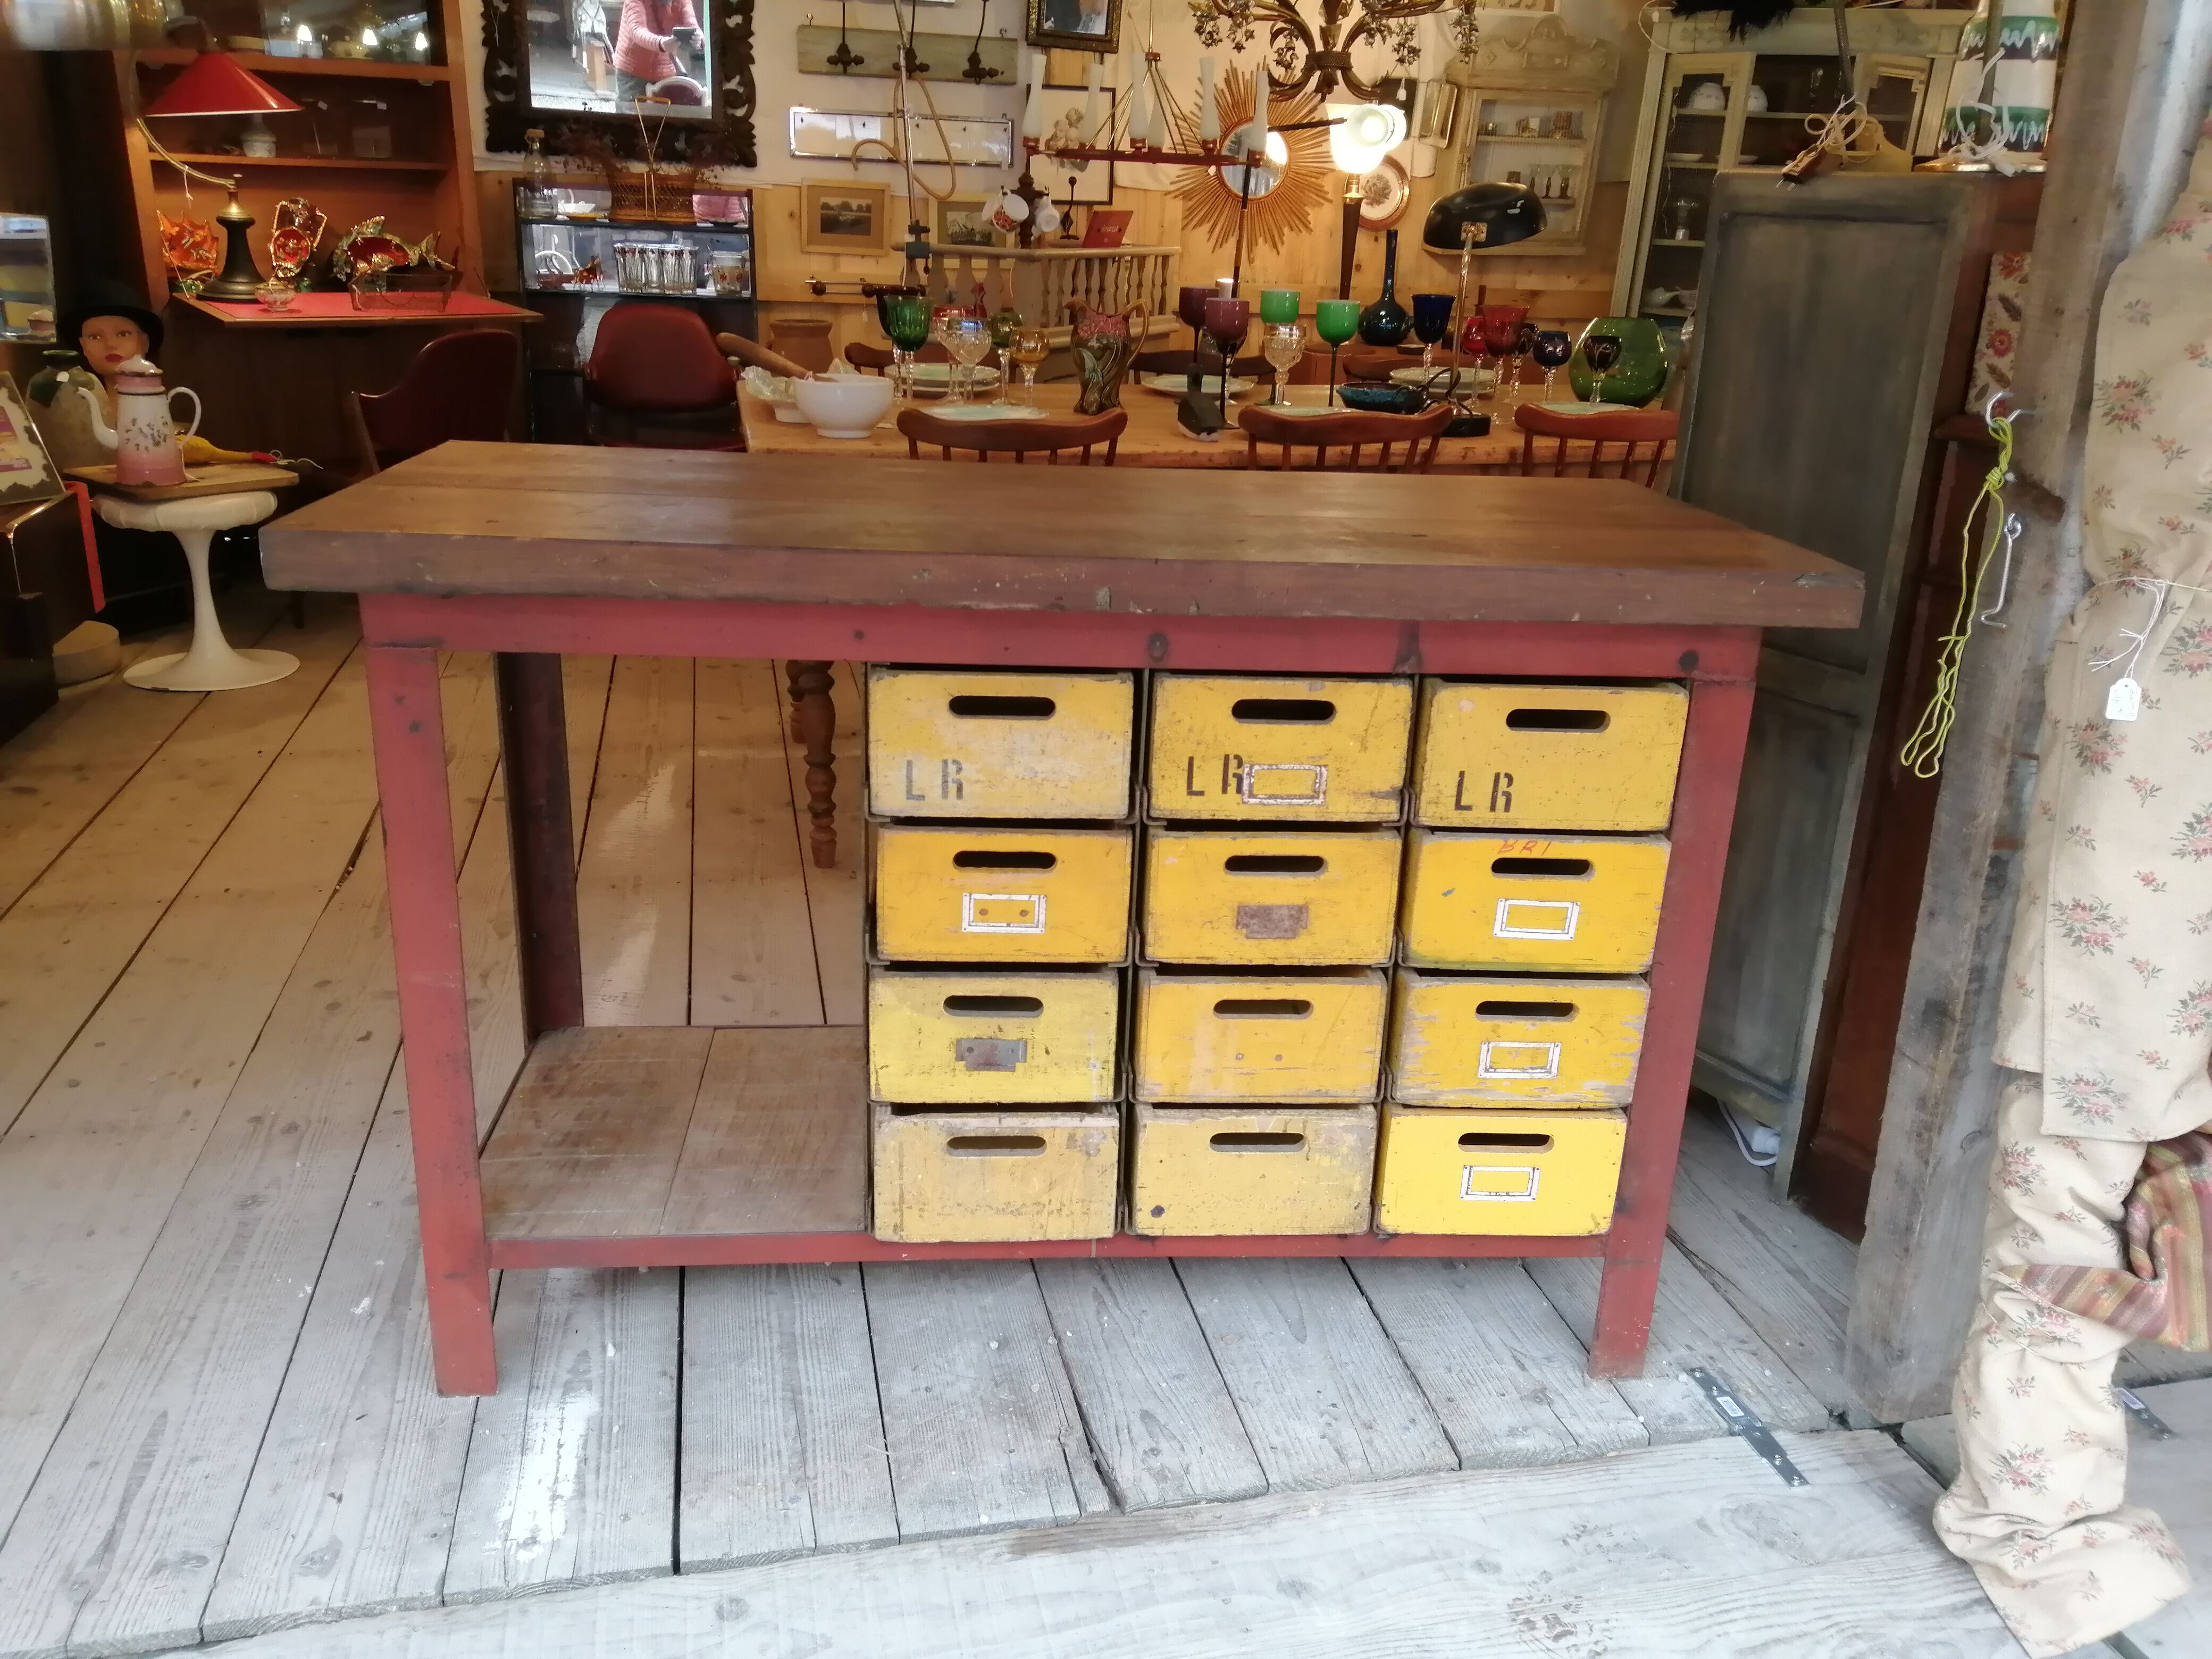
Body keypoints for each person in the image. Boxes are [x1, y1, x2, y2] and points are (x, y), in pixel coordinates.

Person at [1932, 111, 2212, 1659]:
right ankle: (2033, 1519)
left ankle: (2037, 1513)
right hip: (2172, 712)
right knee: (2085, 1148)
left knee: (2097, 1147)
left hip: (2167, 693)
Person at [612, 0, 701, 103]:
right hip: (633, 71)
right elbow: (637, 30)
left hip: (665, 70)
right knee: (630, 114)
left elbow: (692, 25)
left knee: (663, 115)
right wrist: (660, 43)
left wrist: (698, 38)